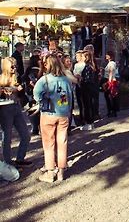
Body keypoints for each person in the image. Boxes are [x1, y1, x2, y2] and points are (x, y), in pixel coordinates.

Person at [34, 54, 73, 183]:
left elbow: (36, 94)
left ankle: (50, 172)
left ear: (47, 65)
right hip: (63, 113)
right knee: (62, 142)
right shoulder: (66, 79)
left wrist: (42, 101)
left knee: (48, 143)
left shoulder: (44, 80)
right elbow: (71, 96)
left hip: (48, 114)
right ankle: (62, 171)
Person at [0, 57, 32, 168]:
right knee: (7, 137)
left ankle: (20, 158)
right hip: (5, 109)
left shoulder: (16, 78)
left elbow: (23, 94)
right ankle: (7, 162)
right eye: (12, 66)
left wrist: (20, 89)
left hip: (17, 107)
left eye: (15, 65)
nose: (14, 68)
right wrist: (4, 90)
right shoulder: (1, 78)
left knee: (25, 135)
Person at [102, 51, 119, 118]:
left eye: (107, 55)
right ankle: (112, 111)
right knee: (110, 96)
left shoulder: (111, 63)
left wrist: (109, 81)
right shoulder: (110, 63)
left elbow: (111, 71)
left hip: (110, 80)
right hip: (110, 80)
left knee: (110, 96)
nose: (106, 56)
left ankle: (112, 111)